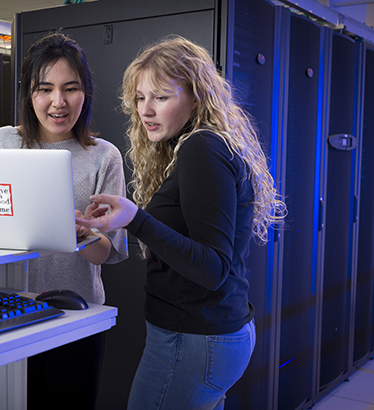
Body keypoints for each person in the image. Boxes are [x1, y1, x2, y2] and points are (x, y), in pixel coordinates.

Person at [76, 35, 286, 410]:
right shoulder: (201, 145)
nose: (146, 110)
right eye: (140, 98)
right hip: (211, 336)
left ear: (196, 96)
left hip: (193, 340)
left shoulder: (202, 148)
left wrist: (136, 219)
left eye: (160, 97)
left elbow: (212, 268)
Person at [0, 32, 129, 409]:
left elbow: (104, 255)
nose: (57, 102)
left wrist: (82, 232)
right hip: (6, 312)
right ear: (29, 94)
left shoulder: (104, 157)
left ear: (86, 93)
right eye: (44, 88)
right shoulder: (2, 143)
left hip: (76, 315)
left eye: (70, 89)